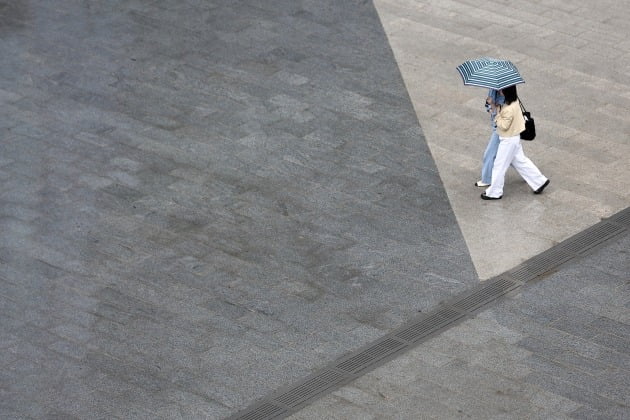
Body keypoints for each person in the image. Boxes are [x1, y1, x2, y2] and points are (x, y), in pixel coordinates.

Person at [481, 84, 549, 200]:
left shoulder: (508, 109)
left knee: (499, 166)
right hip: (514, 138)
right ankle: (539, 181)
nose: (500, 91)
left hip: (507, 140)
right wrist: (494, 106)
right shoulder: (514, 102)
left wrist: (496, 115)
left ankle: (494, 192)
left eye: (502, 89)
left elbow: (503, 125)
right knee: (520, 161)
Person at [475, 89, 504, 187]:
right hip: (499, 127)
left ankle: (487, 179)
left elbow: (500, 114)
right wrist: (490, 105)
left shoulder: (506, 93)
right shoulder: (493, 89)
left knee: (489, 154)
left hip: (500, 129)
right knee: (516, 158)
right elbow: (489, 108)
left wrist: (492, 105)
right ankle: (537, 179)